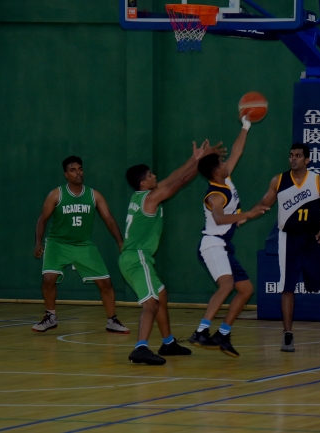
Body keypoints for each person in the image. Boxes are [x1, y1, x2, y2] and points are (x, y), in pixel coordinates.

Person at [121, 140, 219, 365]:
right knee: (151, 303)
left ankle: (168, 343)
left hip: (136, 258)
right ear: (143, 182)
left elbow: (175, 177)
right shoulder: (151, 198)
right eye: (150, 174)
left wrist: (195, 159)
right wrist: (203, 161)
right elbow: (180, 181)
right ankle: (140, 348)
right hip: (137, 258)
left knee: (161, 295)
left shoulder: (142, 196)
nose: (155, 176)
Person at [257, 143, 320, 352]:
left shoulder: (317, 181)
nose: (293, 159)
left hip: (312, 240)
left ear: (307, 160)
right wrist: (245, 215)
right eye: (291, 155)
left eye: (298, 156)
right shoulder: (279, 180)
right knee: (287, 288)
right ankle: (288, 334)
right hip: (289, 239)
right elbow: (264, 204)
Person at [189, 117, 268, 357]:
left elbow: (237, 150)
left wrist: (246, 125)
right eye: (222, 162)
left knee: (245, 290)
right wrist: (248, 213)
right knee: (227, 285)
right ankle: (200, 331)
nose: (226, 163)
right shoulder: (215, 195)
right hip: (212, 245)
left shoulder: (225, 178)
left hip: (223, 246)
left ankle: (222, 334)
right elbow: (219, 218)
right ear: (216, 171)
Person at [33, 156, 129, 334]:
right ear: (65, 174)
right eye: (73, 170)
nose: (78, 173)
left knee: (106, 283)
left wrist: (120, 241)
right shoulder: (56, 194)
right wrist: (38, 242)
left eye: (80, 169)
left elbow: (109, 219)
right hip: (57, 243)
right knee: (48, 279)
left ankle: (112, 321)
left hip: (83, 245)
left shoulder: (94, 195)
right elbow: (42, 219)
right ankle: (50, 317)